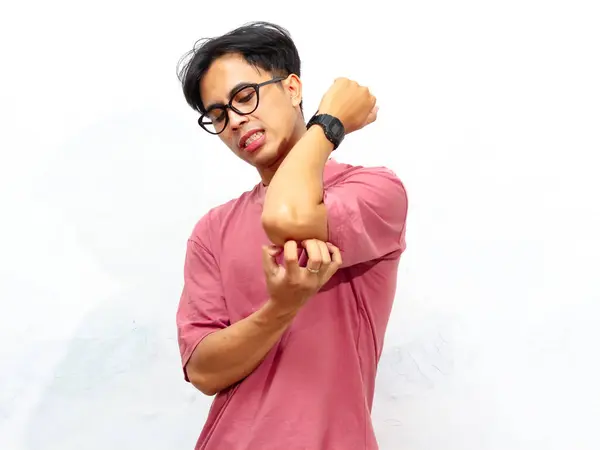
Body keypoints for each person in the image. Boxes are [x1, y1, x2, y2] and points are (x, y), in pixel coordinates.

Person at [175, 21, 408, 450]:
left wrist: (326, 125)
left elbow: (286, 217)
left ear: (293, 88)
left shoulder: (375, 191)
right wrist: (280, 309)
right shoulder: (211, 230)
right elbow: (204, 371)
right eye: (219, 115)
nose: (236, 122)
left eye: (245, 97)